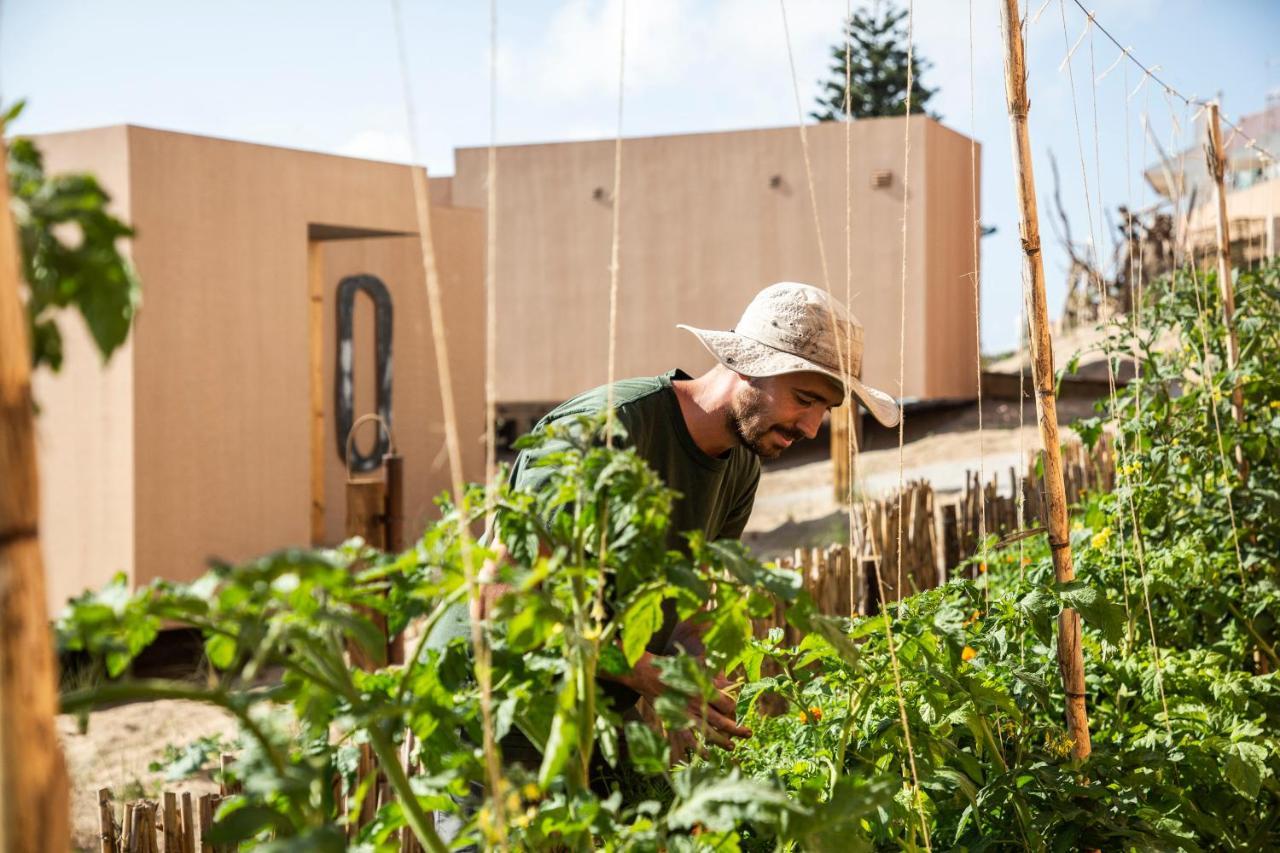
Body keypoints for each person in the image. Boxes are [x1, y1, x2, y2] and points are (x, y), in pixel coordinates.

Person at [426, 281, 900, 840]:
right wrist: (654, 676)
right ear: (748, 366)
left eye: (825, 408)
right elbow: (503, 599)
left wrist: (700, 676)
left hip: (600, 697)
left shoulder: (741, 463)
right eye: (804, 399)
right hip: (501, 693)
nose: (811, 428)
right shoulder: (606, 431)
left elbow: (689, 593)